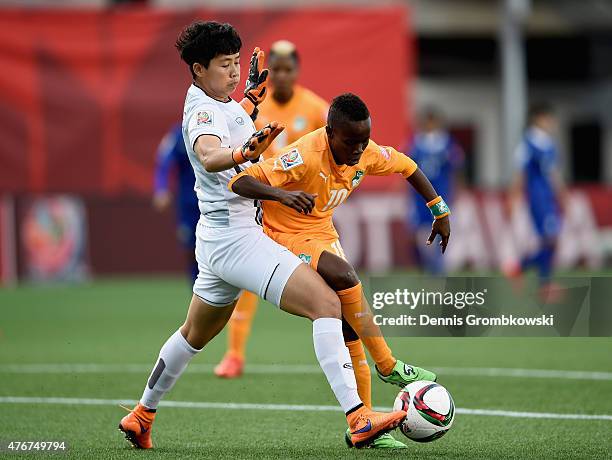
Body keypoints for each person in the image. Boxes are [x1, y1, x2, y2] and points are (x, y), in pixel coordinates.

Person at [118, 21, 406, 450]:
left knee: (193, 334)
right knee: (327, 302)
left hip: (218, 239)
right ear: (198, 69)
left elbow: (234, 125)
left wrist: (250, 101)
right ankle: (358, 416)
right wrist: (241, 154)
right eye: (223, 65)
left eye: (236, 63)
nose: (233, 73)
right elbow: (211, 153)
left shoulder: (223, 101)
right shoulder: (201, 111)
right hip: (238, 239)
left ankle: (141, 414)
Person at [228, 93, 451, 449]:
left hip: (321, 234)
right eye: (350, 142)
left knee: (349, 323)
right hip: (281, 235)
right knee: (346, 276)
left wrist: (439, 211)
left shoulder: (366, 152)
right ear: (330, 132)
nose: (359, 150)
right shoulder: (304, 155)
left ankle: (364, 426)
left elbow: (408, 166)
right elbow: (240, 182)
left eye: (364, 141)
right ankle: (387, 363)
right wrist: (281, 195)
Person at [215, 40, 329, 379]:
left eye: (287, 69)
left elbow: (337, 146)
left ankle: (345, 350)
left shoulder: (314, 108)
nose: (280, 75)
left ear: (296, 71)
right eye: (275, 69)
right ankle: (234, 354)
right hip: (262, 205)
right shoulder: (254, 106)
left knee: (330, 276)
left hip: (301, 213)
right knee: (247, 282)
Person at [507, 103, 567, 299]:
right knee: (550, 239)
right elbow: (520, 173)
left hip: (547, 197)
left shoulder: (547, 143)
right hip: (537, 198)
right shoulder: (528, 143)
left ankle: (519, 269)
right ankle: (544, 284)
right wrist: (513, 197)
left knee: (550, 240)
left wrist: (561, 194)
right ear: (538, 118)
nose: (552, 123)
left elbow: (553, 173)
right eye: (549, 118)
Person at [406, 107, 463, 275]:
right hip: (419, 197)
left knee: (439, 229)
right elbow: (407, 168)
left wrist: (456, 190)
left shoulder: (446, 142)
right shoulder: (416, 142)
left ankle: (437, 268)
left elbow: (456, 167)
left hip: (440, 195)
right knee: (416, 233)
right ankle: (426, 265)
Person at [153, 122, 200, 284]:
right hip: (189, 205)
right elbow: (164, 163)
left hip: (216, 203)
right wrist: (161, 189)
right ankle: (197, 293)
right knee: (192, 251)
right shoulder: (177, 135)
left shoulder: (221, 128)